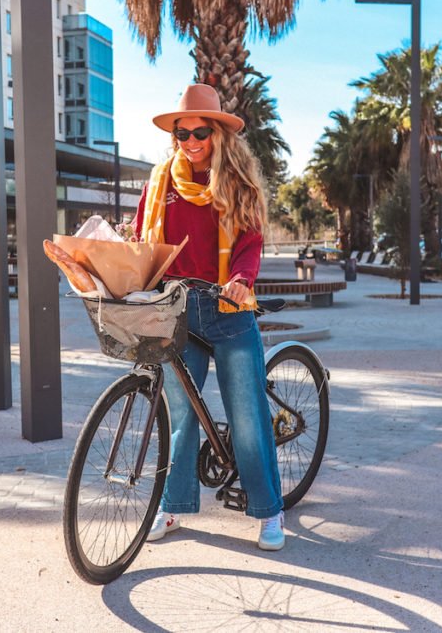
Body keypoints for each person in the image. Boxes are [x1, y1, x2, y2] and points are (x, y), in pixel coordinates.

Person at [131, 83, 285, 551]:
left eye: (200, 131)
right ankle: (174, 507)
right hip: (177, 309)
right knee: (179, 416)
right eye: (183, 132)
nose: (191, 140)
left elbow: (250, 242)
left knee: (247, 417)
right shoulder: (160, 182)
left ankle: (269, 511)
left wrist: (241, 277)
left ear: (217, 133)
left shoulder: (235, 184)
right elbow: (143, 238)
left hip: (227, 308)